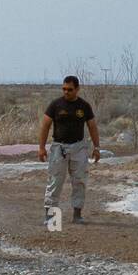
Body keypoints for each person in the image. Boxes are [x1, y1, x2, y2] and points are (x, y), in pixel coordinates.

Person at [38, 76, 99, 224]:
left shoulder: (84, 106)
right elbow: (45, 125)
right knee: (55, 181)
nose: (66, 92)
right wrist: (41, 148)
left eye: (70, 89)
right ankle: (50, 216)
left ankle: (77, 215)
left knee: (79, 181)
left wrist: (96, 147)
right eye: (64, 89)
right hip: (59, 147)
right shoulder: (55, 105)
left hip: (79, 148)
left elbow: (92, 127)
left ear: (77, 89)